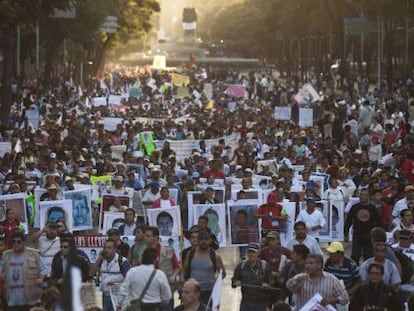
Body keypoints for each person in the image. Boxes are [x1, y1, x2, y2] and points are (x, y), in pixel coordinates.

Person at [2, 230, 48, 310]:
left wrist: (41, 278)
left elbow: (44, 269)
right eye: (14, 242)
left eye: (19, 242)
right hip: (12, 300)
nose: (16, 244)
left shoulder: (34, 254)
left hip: (30, 298)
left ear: (24, 242)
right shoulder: (6, 255)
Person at [181, 230, 226, 306]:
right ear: (198, 240)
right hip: (192, 291)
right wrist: (182, 279)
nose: (204, 242)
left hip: (208, 292)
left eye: (206, 239)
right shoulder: (190, 254)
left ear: (210, 240)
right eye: (201, 239)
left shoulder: (215, 256)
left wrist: (216, 279)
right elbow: (184, 269)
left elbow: (223, 273)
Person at [144, 226, 180, 307]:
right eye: (145, 236)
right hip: (150, 287)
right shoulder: (144, 252)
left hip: (166, 284)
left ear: (155, 237)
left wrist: (173, 276)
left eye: (148, 236)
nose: (145, 238)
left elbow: (177, 267)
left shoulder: (168, 250)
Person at [344, 188, 384, 263]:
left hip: (369, 236)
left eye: (364, 195)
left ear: (368, 196)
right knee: (355, 256)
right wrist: (345, 233)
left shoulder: (372, 208)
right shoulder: (355, 207)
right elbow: (348, 221)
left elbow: (379, 222)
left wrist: (378, 236)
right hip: (357, 235)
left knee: (368, 258)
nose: (361, 196)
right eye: (360, 194)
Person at [91, 239, 130, 311]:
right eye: (105, 248)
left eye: (109, 248)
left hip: (118, 296)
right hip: (104, 295)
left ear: (115, 249)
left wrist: (117, 285)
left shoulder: (122, 261)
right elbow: (90, 274)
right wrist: (99, 259)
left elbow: (130, 281)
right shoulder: (101, 260)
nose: (106, 250)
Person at [232, 243, 273, 311]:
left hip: (261, 302)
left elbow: (271, 282)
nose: (251, 254)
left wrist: (267, 285)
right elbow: (234, 280)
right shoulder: (241, 266)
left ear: (258, 253)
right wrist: (236, 282)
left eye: (253, 252)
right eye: (249, 252)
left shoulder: (264, 266)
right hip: (246, 302)